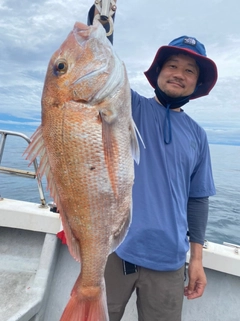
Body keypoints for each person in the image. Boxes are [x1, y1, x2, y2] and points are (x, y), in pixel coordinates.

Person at [103, 35, 218, 321]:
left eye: (190, 70)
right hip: (118, 249)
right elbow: (101, 72)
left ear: (197, 83)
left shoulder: (197, 135)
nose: (179, 74)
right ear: (158, 72)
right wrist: (103, 28)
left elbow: (198, 199)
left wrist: (197, 260)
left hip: (169, 262)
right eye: (172, 65)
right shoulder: (130, 106)